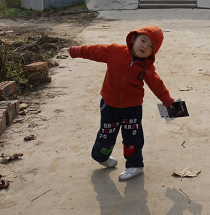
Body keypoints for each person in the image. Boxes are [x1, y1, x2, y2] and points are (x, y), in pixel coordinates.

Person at [69, 25, 175, 181]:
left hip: (132, 108)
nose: (145, 46)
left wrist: (168, 101)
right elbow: (94, 51)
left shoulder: (147, 68)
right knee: (106, 134)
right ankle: (101, 156)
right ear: (133, 39)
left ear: (153, 52)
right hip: (109, 104)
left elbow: (157, 85)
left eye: (151, 46)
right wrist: (76, 51)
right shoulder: (115, 51)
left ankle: (135, 165)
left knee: (133, 137)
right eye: (143, 41)